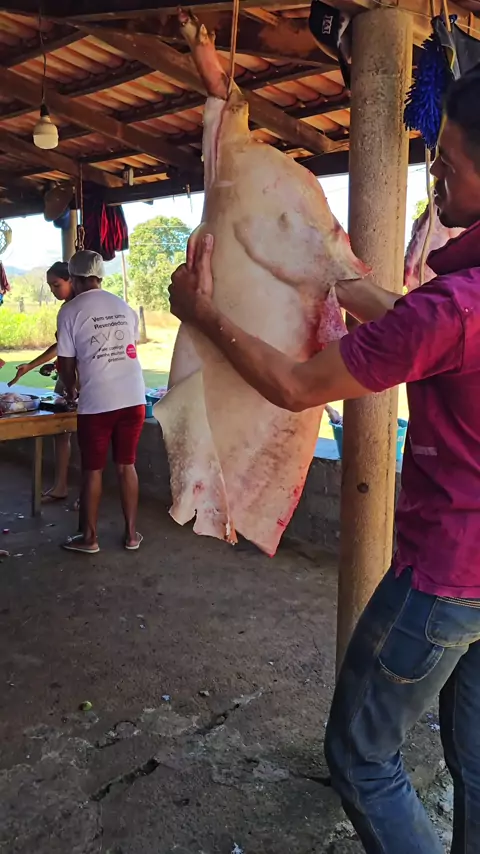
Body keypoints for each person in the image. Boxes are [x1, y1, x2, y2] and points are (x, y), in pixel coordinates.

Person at [168, 67, 480, 854]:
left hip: (448, 571)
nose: (436, 174)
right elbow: (417, 324)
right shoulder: (455, 304)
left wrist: (202, 312)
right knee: (476, 761)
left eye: (448, 160)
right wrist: (333, 277)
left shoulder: (455, 306)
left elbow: (297, 386)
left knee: (361, 758)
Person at [57, 249, 145, 554]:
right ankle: (132, 535)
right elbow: (129, 350)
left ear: (73, 278)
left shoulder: (70, 311)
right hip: (134, 398)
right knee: (126, 465)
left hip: (97, 402)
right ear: (99, 276)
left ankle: (90, 538)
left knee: (93, 470)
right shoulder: (123, 307)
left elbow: (65, 363)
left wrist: (71, 389)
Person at [9, 262, 78, 505]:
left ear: (71, 280)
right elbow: (62, 347)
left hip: (84, 380)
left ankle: (89, 493)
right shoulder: (66, 309)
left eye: (56, 285)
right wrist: (31, 366)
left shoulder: (80, 308)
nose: (52, 290)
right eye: (49, 286)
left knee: (89, 436)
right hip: (66, 378)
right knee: (60, 432)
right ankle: (60, 486)